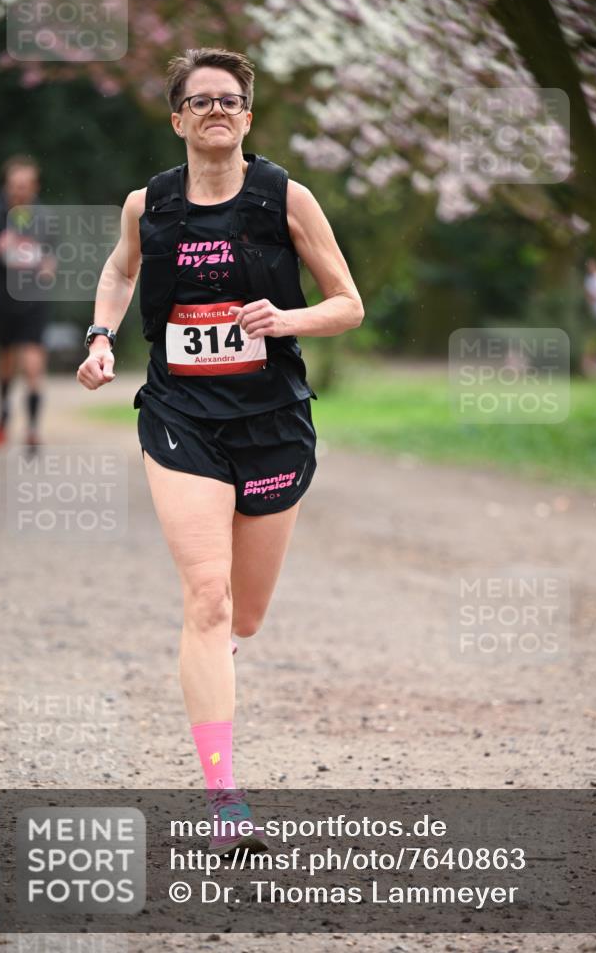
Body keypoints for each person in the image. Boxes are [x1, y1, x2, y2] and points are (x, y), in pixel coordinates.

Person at [76, 48, 364, 854]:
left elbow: (347, 305)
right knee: (206, 598)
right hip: (180, 417)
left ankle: (220, 654)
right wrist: (102, 338)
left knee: (246, 613)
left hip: (271, 421)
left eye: (228, 100)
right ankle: (225, 802)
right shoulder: (150, 205)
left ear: (246, 116)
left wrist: (285, 320)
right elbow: (117, 269)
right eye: (198, 101)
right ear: (177, 119)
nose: (214, 110)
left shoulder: (285, 197)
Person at [0, 156, 57, 449]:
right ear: (7, 185)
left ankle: (33, 430)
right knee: (6, 363)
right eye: (15, 186)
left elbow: (53, 252)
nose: (19, 191)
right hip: (2, 298)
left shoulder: (44, 218)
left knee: (34, 365)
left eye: (25, 186)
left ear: (34, 186)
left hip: (33, 299)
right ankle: (3, 413)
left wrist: (49, 264)